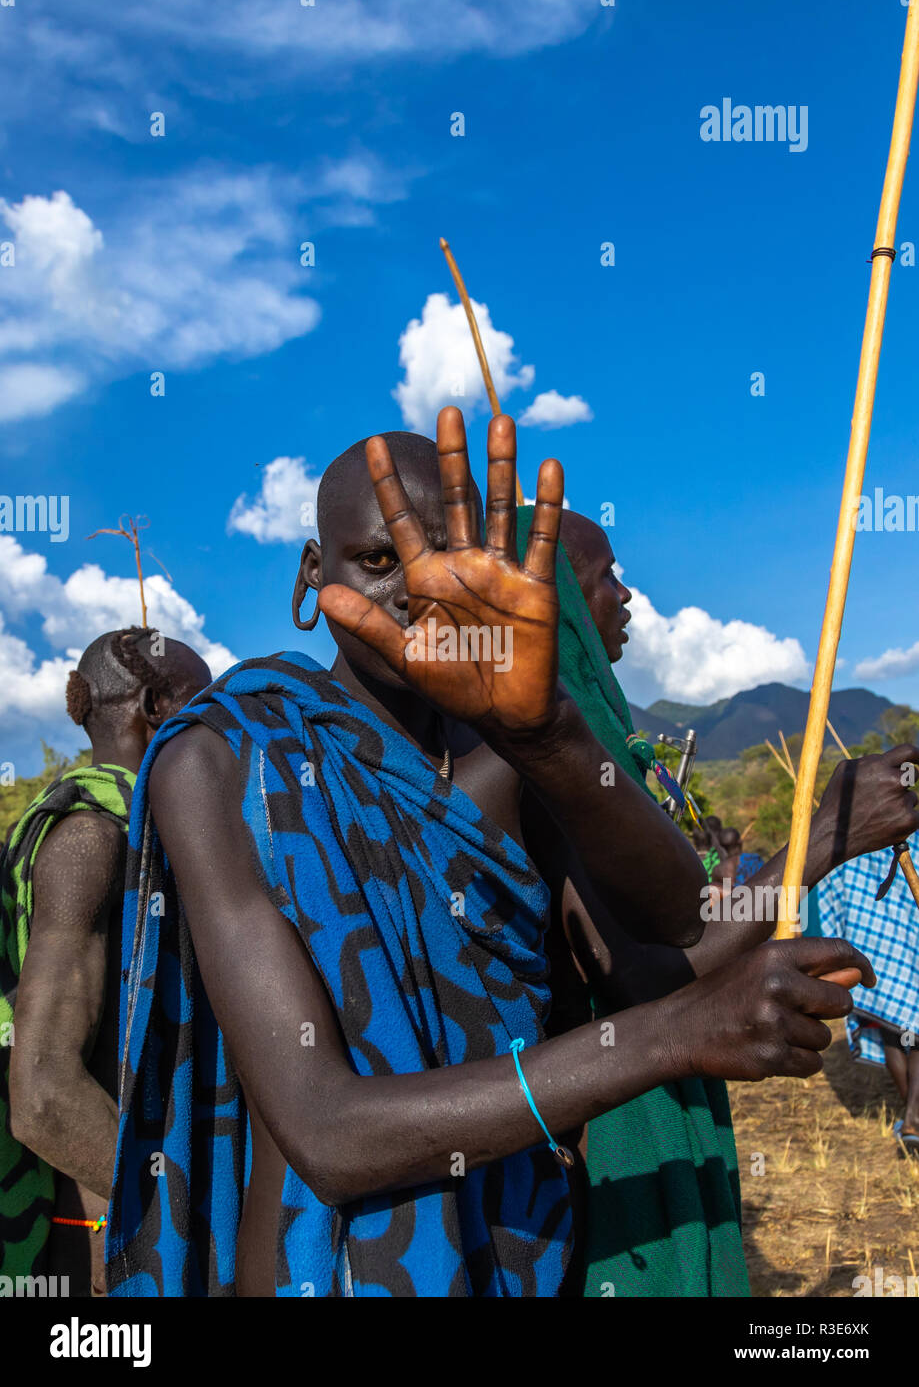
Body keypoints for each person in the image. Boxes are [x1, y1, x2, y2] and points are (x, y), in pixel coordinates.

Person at [107, 410, 876, 1298]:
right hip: (323, 1270)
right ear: (311, 578)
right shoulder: (227, 758)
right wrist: (674, 1037)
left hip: (521, 1250)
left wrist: (551, 733)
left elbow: (668, 941)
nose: (418, 587)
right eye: (378, 560)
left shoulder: (507, 753)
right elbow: (327, 1132)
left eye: (444, 556)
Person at [533, 507, 919, 1294]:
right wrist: (820, 839)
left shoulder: (609, 747)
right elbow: (651, 975)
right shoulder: (548, 762)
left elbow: (684, 936)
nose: (628, 595)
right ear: (563, 608)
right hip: (605, 1132)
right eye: (605, 577)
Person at [1, 627, 211, 1293]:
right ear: (154, 707)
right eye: (201, 711)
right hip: (104, 1251)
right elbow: (42, 1095)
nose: (217, 742)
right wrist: (185, 1222)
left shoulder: (138, 827)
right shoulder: (93, 836)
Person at [819, 832, 919, 1155]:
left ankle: (912, 1120)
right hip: (910, 945)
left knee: (893, 1032)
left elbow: (832, 887)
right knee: (915, 1030)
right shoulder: (912, 839)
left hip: (874, 949)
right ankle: (913, 1119)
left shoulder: (861, 840)